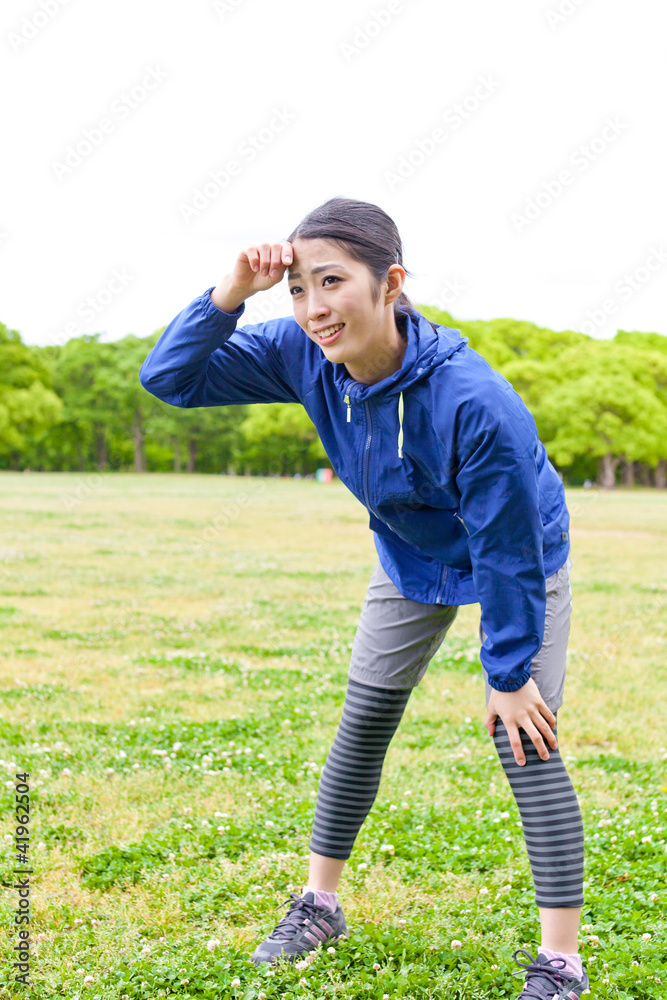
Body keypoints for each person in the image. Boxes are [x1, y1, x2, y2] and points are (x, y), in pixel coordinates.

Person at [139, 197, 588, 999]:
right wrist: (231, 292)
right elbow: (170, 377)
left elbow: (508, 547)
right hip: (410, 551)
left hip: (516, 552)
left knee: (522, 732)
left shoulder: (472, 402)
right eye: (299, 289)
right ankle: (319, 904)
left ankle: (560, 963)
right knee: (365, 715)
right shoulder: (301, 351)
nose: (313, 309)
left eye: (332, 283)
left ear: (391, 283)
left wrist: (508, 670)